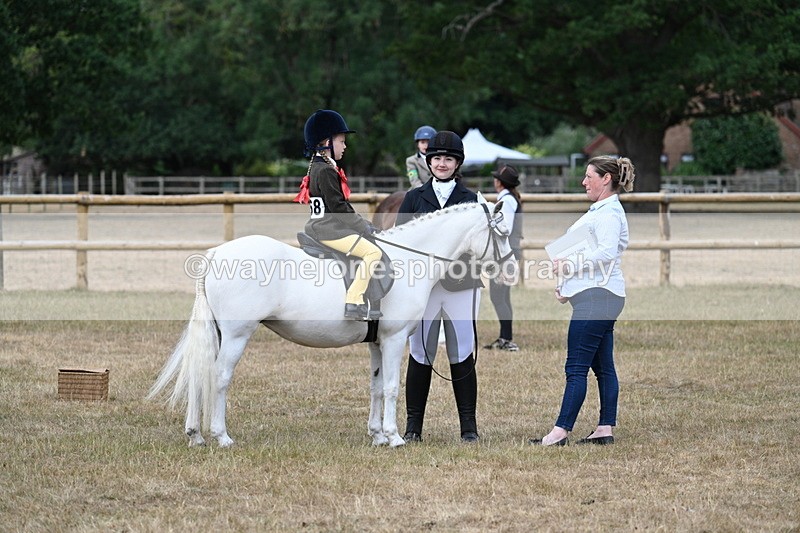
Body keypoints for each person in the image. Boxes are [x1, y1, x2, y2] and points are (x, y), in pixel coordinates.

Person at [530, 155, 635, 446]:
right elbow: (583, 252)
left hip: (599, 298)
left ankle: (560, 432)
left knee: (576, 367)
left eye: (589, 176)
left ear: (606, 179)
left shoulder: (610, 214)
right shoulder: (600, 211)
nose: (584, 181)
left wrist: (568, 268)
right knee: (602, 367)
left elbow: (605, 253)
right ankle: (604, 429)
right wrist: (567, 286)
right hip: (596, 295)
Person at [395, 130, 483, 443]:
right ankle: (413, 426)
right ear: (428, 161)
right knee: (420, 352)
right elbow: (401, 244)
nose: (441, 163)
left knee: (462, 351)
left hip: (461, 285)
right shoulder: (414, 198)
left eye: (447, 158)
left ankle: (468, 427)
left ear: (457, 163)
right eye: (436, 158)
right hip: (425, 289)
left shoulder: (471, 199)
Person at [293, 109, 382, 321]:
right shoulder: (325, 170)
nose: (345, 146)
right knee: (373, 253)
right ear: (326, 142)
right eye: (342, 141)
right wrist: (364, 226)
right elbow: (339, 207)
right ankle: (354, 299)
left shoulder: (317, 166)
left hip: (322, 226)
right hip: (329, 230)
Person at [483, 165, 523, 352]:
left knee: (498, 296)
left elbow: (504, 227)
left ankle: (506, 339)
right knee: (502, 297)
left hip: (504, 254)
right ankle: (505, 336)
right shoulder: (509, 198)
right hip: (507, 253)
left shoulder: (506, 201)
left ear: (499, 182)